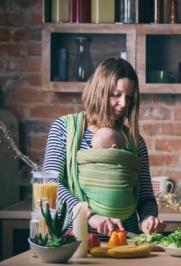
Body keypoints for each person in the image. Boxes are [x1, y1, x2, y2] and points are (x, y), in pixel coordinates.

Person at [43, 58, 163, 236]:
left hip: (124, 240)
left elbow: (145, 198)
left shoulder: (136, 142)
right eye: (116, 94)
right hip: (73, 241)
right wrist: (89, 215)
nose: (123, 104)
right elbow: (50, 185)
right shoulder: (64, 128)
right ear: (100, 91)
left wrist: (148, 218)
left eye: (128, 97)